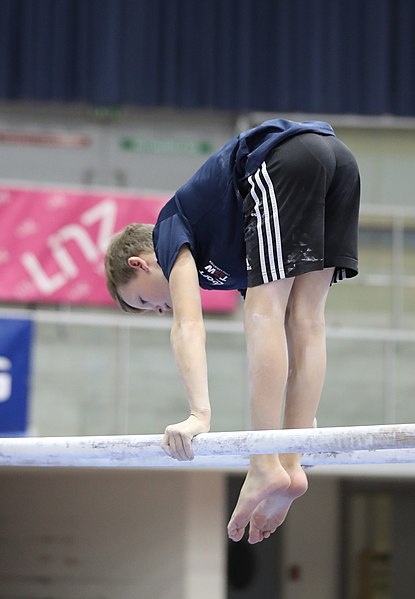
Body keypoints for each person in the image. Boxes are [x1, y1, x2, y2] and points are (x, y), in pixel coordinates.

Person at [104, 119, 360, 544]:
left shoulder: (170, 227)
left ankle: (264, 463)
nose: (159, 308)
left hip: (284, 157)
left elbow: (188, 324)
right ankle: (290, 463)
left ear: (140, 264)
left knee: (264, 315)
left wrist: (199, 414)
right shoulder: (229, 257)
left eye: (145, 301)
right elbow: (290, 338)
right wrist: (302, 413)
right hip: (341, 164)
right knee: (304, 320)